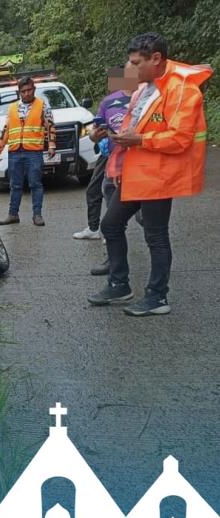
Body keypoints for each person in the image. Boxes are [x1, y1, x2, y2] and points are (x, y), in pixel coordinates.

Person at [87, 32, 212, 316]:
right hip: (135, 173)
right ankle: (119, 284)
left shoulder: (183, 89)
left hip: (159, 176)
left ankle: (158, 297)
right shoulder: (145, 88)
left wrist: (140, 141)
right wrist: (115, 142)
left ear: (155, 59)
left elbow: (180, 138)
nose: (130, 70)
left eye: (135, 63)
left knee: (155, 236)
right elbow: (133, 127)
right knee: (110, 224)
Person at [73, 65, 136, 242]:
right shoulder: (108, 102)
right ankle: (98, 229)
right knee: (96, 190)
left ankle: (149, 232)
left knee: (140, 206)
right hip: (109, 154)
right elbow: (94, 133)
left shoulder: (145, 98)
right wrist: (96, 135)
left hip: (136, 157)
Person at [0, 76, 56, 226]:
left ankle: (37, 215)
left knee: (35, 184)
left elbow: (51, 126)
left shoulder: (42, 106)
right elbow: (6, 130)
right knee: (15, 185)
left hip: (33, 152)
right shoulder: (12, 107)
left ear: (34, 89)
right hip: (15, 152)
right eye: (23, 91)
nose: (27, 93)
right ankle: (13, 214)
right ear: (19, 92)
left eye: (29, 90)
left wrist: (52, 144)